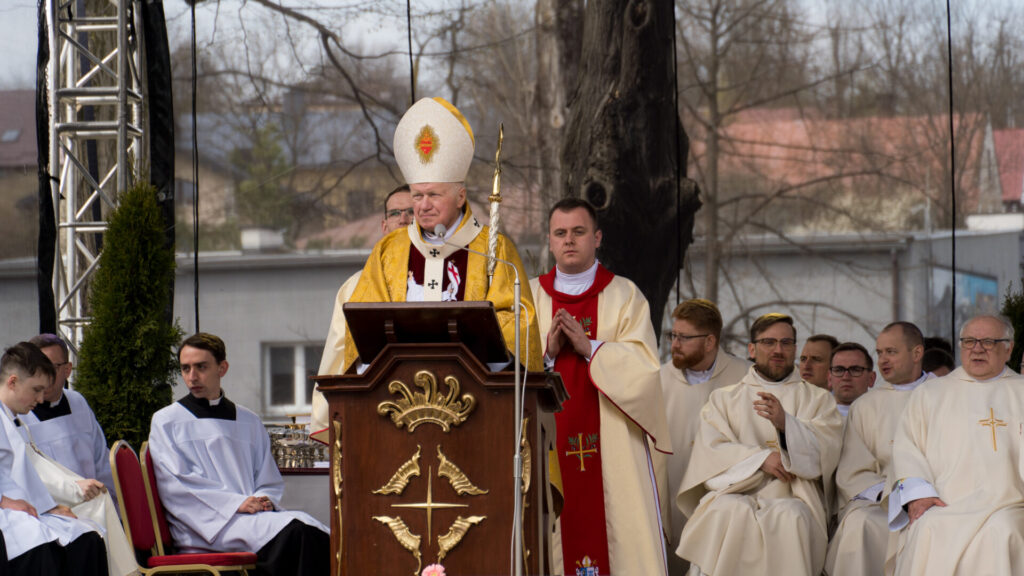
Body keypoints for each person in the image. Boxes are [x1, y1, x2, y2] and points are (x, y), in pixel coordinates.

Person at [342, 97, 541, 373]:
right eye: (417, 196)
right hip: (399, 389)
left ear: (460, 196)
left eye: (433, 195)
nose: (423, 205)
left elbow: (520, 325)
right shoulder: (390, 251)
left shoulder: (493, 250)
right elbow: (363, 329)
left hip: (477, 393)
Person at [530, 198, 671, 576]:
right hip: (546, 440)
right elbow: (508, 372)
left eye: (578, 232)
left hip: (612, 443)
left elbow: (645, 371)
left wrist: (590, 348)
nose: (569, 240)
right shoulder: (528, 298)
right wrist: (548, 353)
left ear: (597, 237)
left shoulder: (625, 296)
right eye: (560, 233)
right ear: (549, 240)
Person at [148, 333, 329, 576]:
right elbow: (176, 485)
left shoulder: (248, 420)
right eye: (185, 368)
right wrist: (236, 504)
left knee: (314, 531)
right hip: (205, 526)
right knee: (298, 532)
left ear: (222, 368)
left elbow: (267, 477)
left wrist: (264, 499)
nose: (192, 377)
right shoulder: (167, 421)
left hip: (249, 519)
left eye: (201, 367)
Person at [676, 313, 843, 576]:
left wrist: (786, 425)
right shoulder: (724, 399)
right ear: (752, 349)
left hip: (793, 493)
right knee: (724, 511)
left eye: (786, 343)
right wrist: (761, 459)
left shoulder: (818, 400)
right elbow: (710, 454)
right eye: (769, 342)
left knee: (791, 517)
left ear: (794, 349)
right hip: (737, 491)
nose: (778, 350)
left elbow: (827, 453)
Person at [887, 315, 1024, 575]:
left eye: (988, 342)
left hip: (1010, 504)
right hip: (943, 503)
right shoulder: (930, 393)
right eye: (970, 341)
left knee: (1003, 530)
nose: (977, 348)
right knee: (927, 527)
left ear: (1008, 348)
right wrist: (918, 494)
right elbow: (907, 447)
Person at [823, 327, 929, 576]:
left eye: (891, 352)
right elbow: (853, 471)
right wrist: (892, 497)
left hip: (931, 499)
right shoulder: (865, 405)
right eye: (880, 352)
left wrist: (920, 495)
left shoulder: (944, 395)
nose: (883, 360)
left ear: (917, 353)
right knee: (860, 524)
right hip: (882, 501)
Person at [310, 185, 412, 443]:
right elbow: (338, 349)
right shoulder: (356, 286)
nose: (403, 219)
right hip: (372, 405)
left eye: (411, 211)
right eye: (395, 213)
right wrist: (326, 411)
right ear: (384, 224)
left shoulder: (447, 275)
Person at [0, 342, 110, 576]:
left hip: (22, 509)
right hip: (6, 514)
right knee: (40, 547)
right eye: (36, 389)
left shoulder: (11, 418)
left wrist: (48, 507)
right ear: (12, 382)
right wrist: (4, 500)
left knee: (88, 537)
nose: (40, 399)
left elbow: (23, 474)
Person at [657, 298, 748, 575]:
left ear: (710, 342)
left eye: (684, 337)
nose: (675, 344)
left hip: (723, 497)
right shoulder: (655, 380)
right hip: (669, 493)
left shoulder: (745, 378)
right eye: (673, 335)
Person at [17, 334, 116, 499]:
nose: (44, 376)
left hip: (93, 504)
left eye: (51, 367)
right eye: (37, 368)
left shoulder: (78, 403)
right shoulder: (19, 415)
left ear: (67, 370)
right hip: (48, 511)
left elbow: (101, 461)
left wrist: (112, 503)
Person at [827, 342, 876, 418]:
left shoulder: (886, 417)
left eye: (855, 370)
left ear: (871, 379)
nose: (846, 377)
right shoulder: (810, 419)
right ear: (829, 378)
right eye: (839, 370)